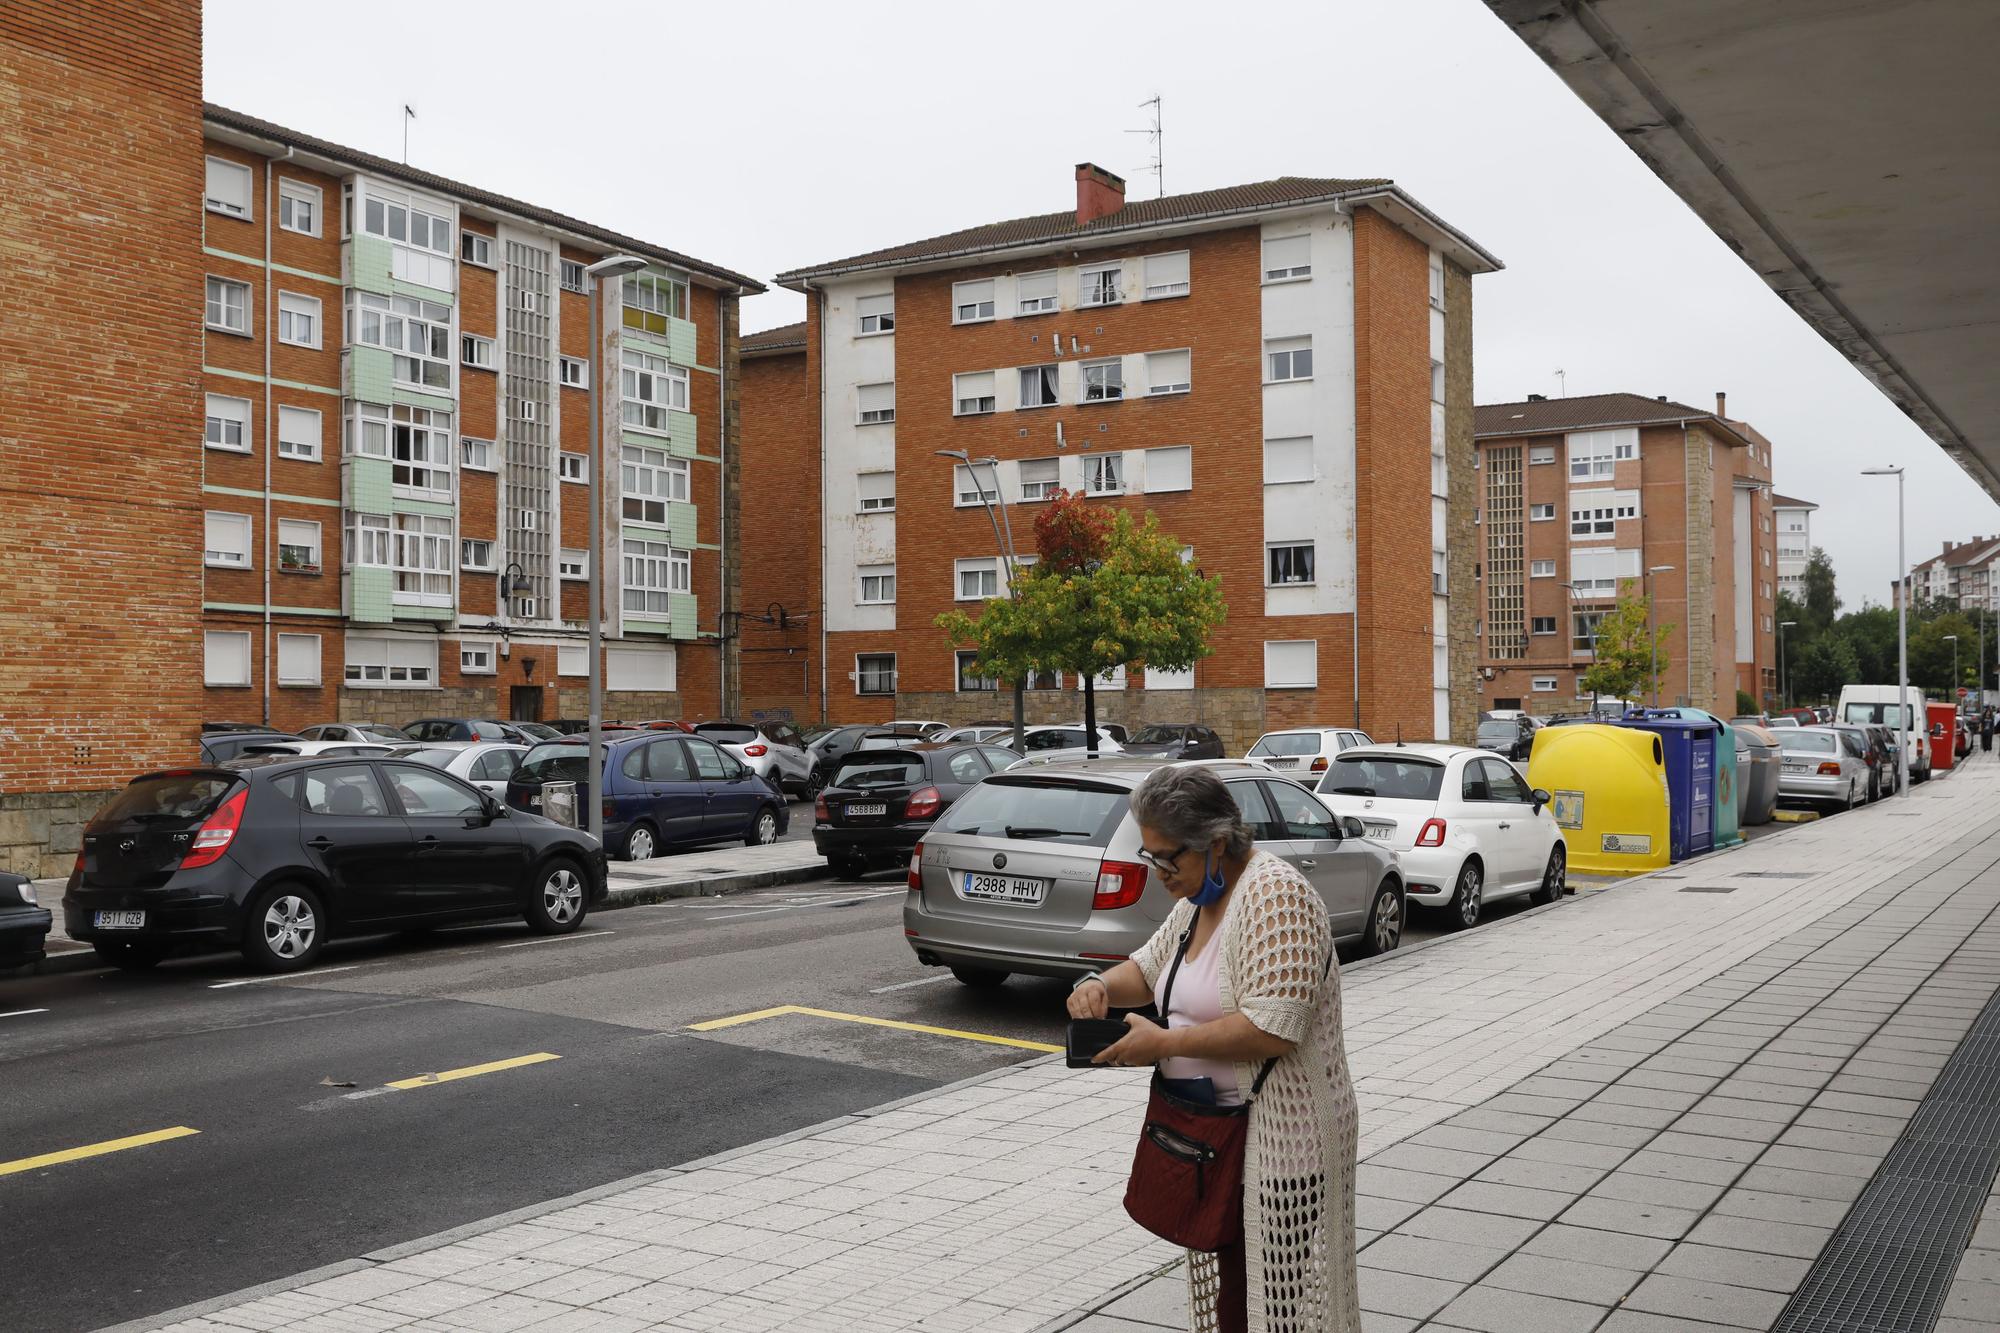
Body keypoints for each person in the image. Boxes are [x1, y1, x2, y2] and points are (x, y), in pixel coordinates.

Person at [1067, 765, 1358, 1333]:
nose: (1157, 873)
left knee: (1259, 1305)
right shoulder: (1198, 901)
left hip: (1283, 1142)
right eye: (1149, 856)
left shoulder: (1276, 897)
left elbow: (1273, 1028)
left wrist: (1165, 1043)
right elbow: (1148, 970)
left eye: (1167, 858)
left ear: (1216, 843)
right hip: (1218, 1133)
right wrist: (1098, 986)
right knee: (1239, 1297)